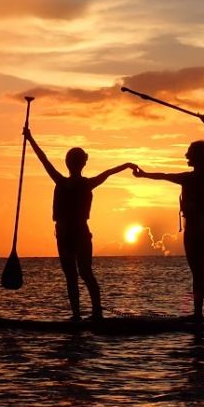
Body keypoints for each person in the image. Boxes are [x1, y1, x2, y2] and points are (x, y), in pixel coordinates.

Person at [24, 126, 136, 321]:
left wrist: (126, 165)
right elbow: (44, 159)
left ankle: (93, 314)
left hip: (78, 233)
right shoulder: (64, 181)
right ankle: (82, 315)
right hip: (65, 233)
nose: (74, 164)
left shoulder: (78, 183)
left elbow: (108, 172)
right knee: (76, 274)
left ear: (76, 163)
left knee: (82, 273)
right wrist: (30, 138)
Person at [133, 114, 204, 324]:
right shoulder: (187, 177)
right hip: (192, 230)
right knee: (198, 273)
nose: (186, 155)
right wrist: (144, 175)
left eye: (190, 153)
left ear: (199, 156)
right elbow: (163, 175)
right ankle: (198, 313)